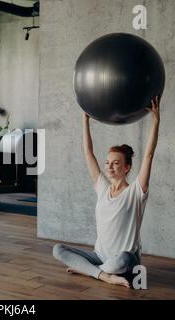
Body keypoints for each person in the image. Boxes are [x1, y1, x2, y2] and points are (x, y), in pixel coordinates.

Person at [53, 96, 161, 288]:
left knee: (123, 260)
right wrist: (85, 121)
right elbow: (88, 152)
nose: (109, 167)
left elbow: (149, 155)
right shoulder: (102, 187)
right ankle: (104, 274)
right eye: (107, 163)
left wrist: (156, 121)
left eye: (116, 163)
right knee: (58, 250)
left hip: (125, 260)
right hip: (99, 256)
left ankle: (90, 270)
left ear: (127, 167)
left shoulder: (136, 192)